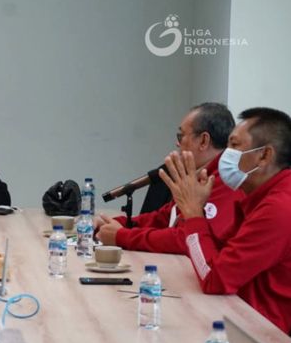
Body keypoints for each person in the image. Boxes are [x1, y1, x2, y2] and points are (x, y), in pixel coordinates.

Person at [160, 107, 291, 333]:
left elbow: (215, 279)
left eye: (234, 145)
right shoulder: (259, 196)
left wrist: (193, 213)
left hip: (265, 336)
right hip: (240, 318)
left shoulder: (279, 207)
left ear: (264, 156)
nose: (225, 155)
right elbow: (220, 252)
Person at [96, 103, 243, 254]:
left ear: (203, 141)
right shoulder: (200, 175)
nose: (177, 143)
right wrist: (115, 224)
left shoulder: (226, 181)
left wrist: (123, 236)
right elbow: (165, 217)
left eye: (181, 136)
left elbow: (187, 240)